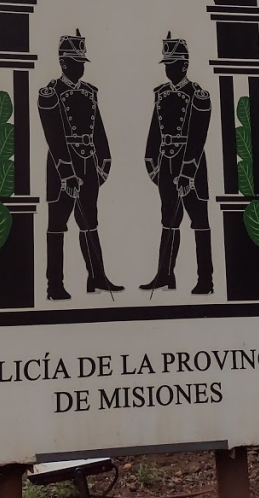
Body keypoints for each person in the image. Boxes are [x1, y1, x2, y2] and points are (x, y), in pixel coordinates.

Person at [37, 30, 123, 300]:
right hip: (62, 168)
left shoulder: (89, 92)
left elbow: (99, 131)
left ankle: (96, 278)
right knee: (57, 225)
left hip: (88, 164)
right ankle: (55, 285)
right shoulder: (51, 93)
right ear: (63, 63)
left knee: (90, 223)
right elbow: (53, 137)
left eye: (83, 62)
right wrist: (67, 174)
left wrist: (103, 165)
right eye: (76, 62)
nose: (81, 67)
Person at [140, 33, 214, 295]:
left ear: (184, 65)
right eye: (166, 65)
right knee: (168, 221)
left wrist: (187, 173)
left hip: (191, 165)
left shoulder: (198, 96)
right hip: (167, 165)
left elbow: (198, 138)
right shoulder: (161, 94)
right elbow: (154, 132)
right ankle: (165, 275)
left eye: (172, 65)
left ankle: (205, 280)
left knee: (199, 221)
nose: (168, 70)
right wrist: (153, 165)